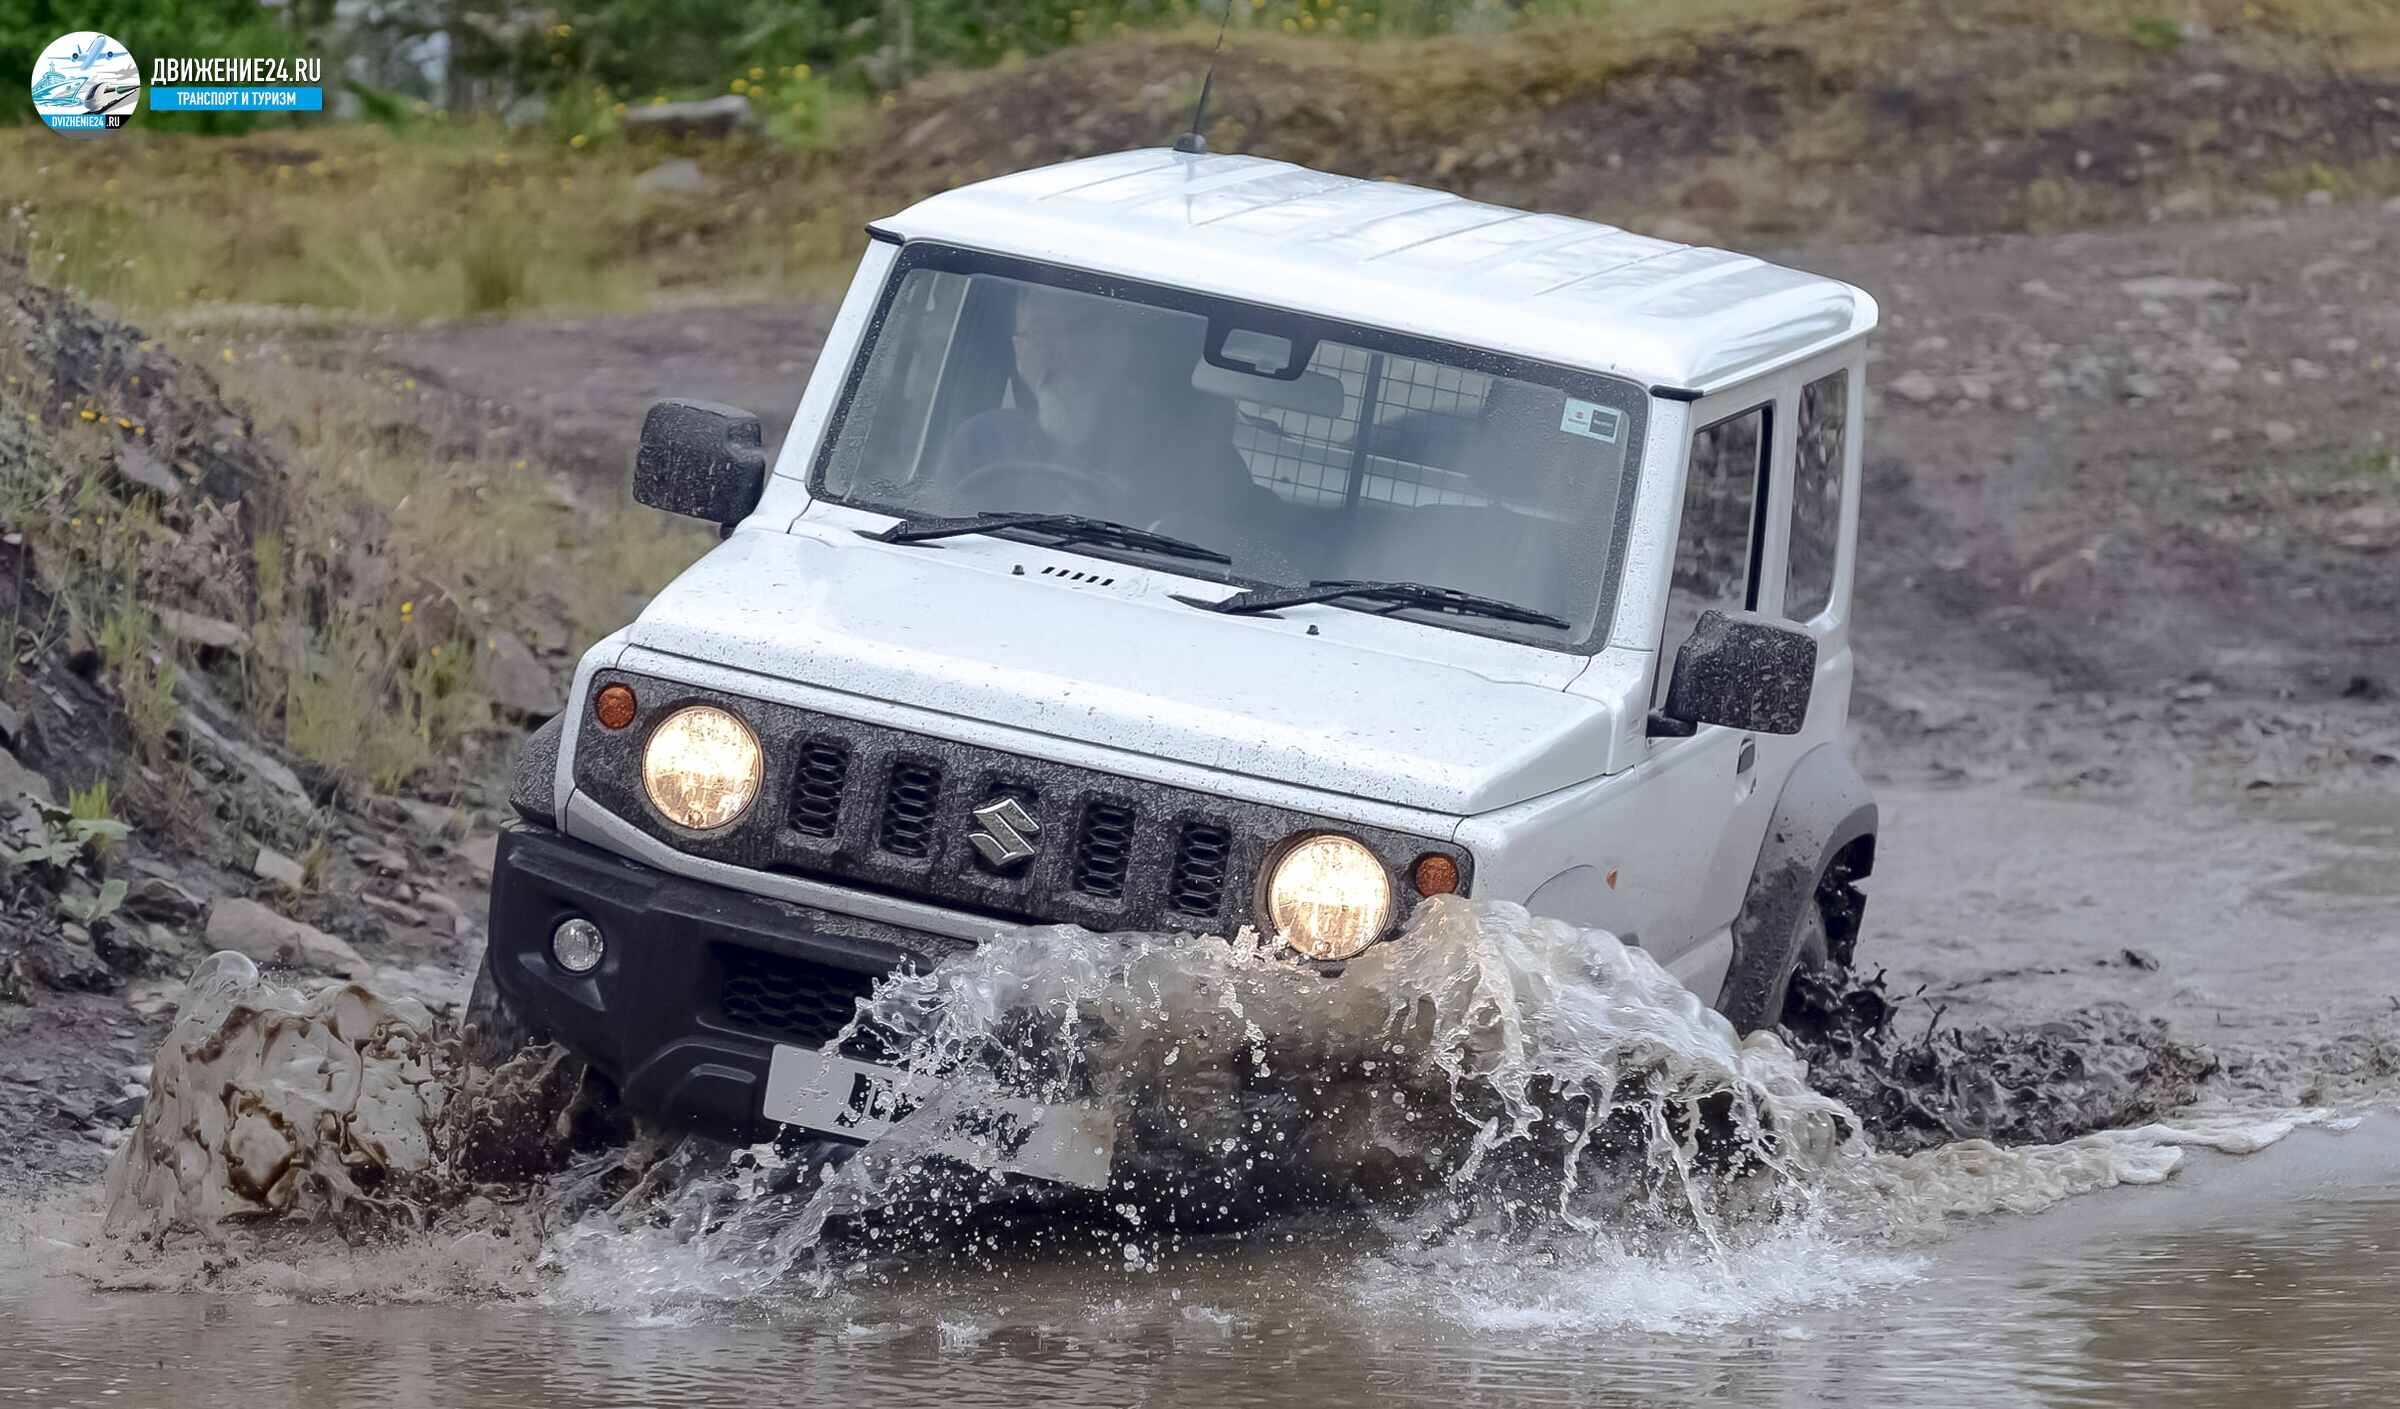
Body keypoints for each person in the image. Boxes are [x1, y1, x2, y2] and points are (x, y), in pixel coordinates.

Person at [929, 284, 1271, 545]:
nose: (1058, 353)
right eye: (1038, 334)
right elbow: (935, 538)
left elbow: (1231, 561)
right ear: (1018, 351)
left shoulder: (1191, 456)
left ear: (1119, 345)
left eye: (1078, 332)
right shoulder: (981, 441)